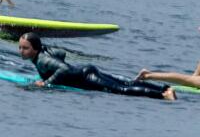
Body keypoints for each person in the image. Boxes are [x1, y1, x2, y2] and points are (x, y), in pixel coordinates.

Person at [18, 32, 176, 100]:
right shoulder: (43, 54)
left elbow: (63, 69)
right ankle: (164, 88)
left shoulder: (42, 60)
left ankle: (163, 96)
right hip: (86, 71)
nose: (21, 51)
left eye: (25, 48)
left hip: (86, 78)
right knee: (125, 83)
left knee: (121, 90)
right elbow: (61, 54)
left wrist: (46, 83)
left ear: (35, 48)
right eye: (20, 47)